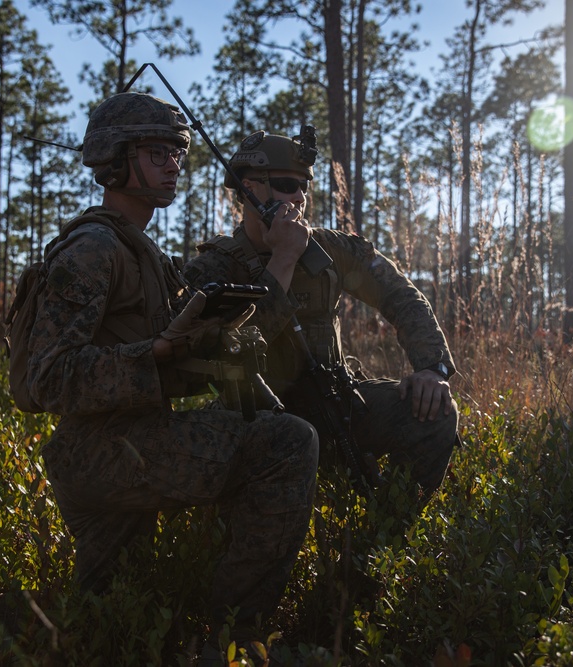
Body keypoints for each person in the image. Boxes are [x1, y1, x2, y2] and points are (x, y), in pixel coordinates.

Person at [25, 93, 319, 660]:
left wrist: (269, 274)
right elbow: (48, 378)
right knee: (287, 444)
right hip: (102, 450)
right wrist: (155, 352)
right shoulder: (92, 249)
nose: (172, 165)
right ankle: (234, 639)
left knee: (99, 624)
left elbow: (207, 352)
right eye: (156, 152)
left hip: (127, 443)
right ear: (115, 159)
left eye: (177, 153)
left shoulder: (144, 253)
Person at [183, 128, 457, 509]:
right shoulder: (212, 268)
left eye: (303, 188)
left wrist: (432, 367)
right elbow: (216, 354)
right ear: (249, 189)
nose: (298, 197)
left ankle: (384, 545)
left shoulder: (330, 248)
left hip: (336, 401)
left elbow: (400, 293)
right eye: (284, 185)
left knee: (436, 413)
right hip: (257, 420)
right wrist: (282, 262)